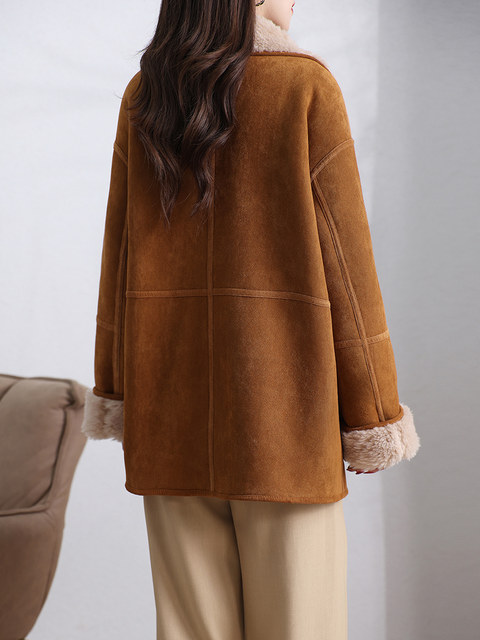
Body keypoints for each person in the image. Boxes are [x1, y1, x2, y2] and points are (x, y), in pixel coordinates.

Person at [81, 0, 421, 638]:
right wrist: (373, 416)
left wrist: (117, 391)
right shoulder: (304, 87)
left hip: (170, 422)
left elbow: (118, 257)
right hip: (284, 431)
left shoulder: (146, 96)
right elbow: (348, 268)